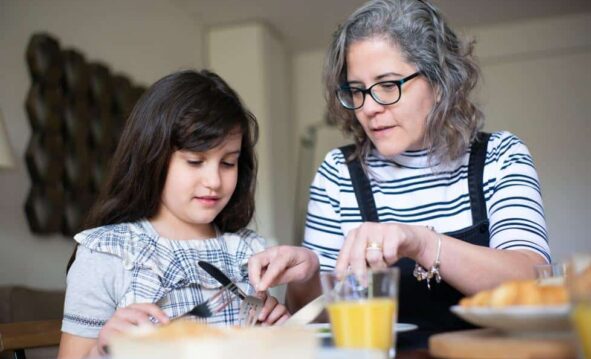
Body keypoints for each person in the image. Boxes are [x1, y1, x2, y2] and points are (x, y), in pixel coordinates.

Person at [248, 0, 550, 348]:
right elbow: (313, 322)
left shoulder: (500, 156)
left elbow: (533, 286)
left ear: (440, 82)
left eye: (389, 85)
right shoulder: (338, 174)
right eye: (357, 90)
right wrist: (308, 276)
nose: (370, 107)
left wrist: (420, 242)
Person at [57, 70, 289, 359]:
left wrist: (278, 334)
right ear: (152, 156)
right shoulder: (108, 254)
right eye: (195, 161)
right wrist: (104, 349)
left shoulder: (251, 252)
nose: (214, 181)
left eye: (228, 163)